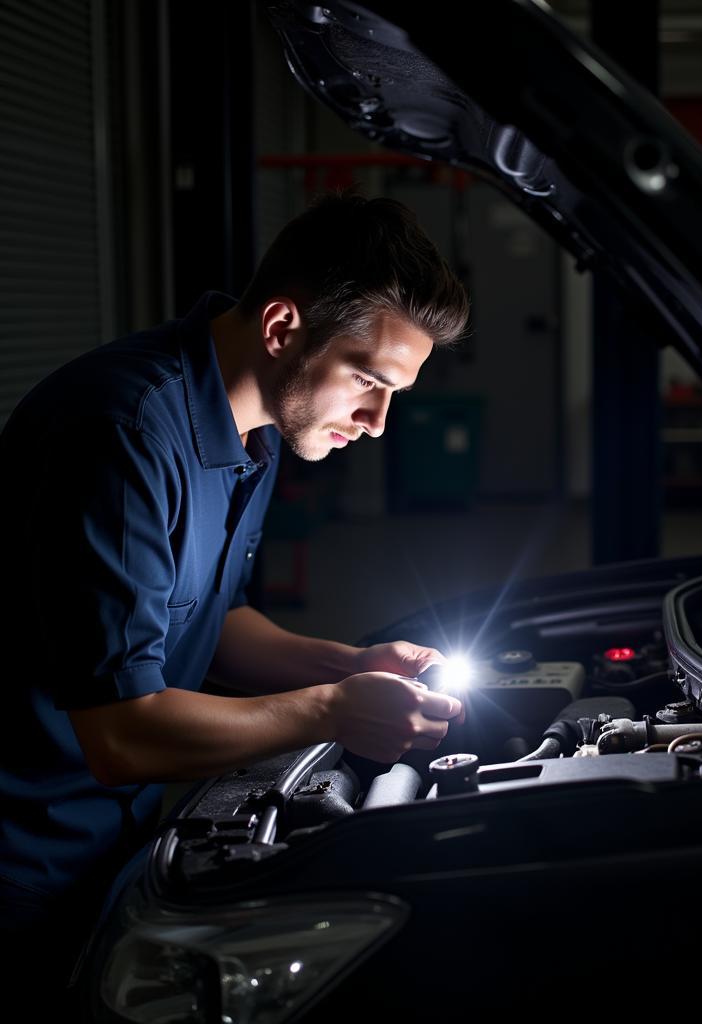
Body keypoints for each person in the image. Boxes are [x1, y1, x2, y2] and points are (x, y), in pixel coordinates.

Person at [0, 190, 470, 996]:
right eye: (366, 379)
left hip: (107, 839)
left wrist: (351, 663)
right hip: (20, 853)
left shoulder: (254, 426)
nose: (379, 420)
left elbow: (211, 624)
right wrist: (331, 708)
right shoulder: (122, 433)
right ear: (283, 328)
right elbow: (120, 735)